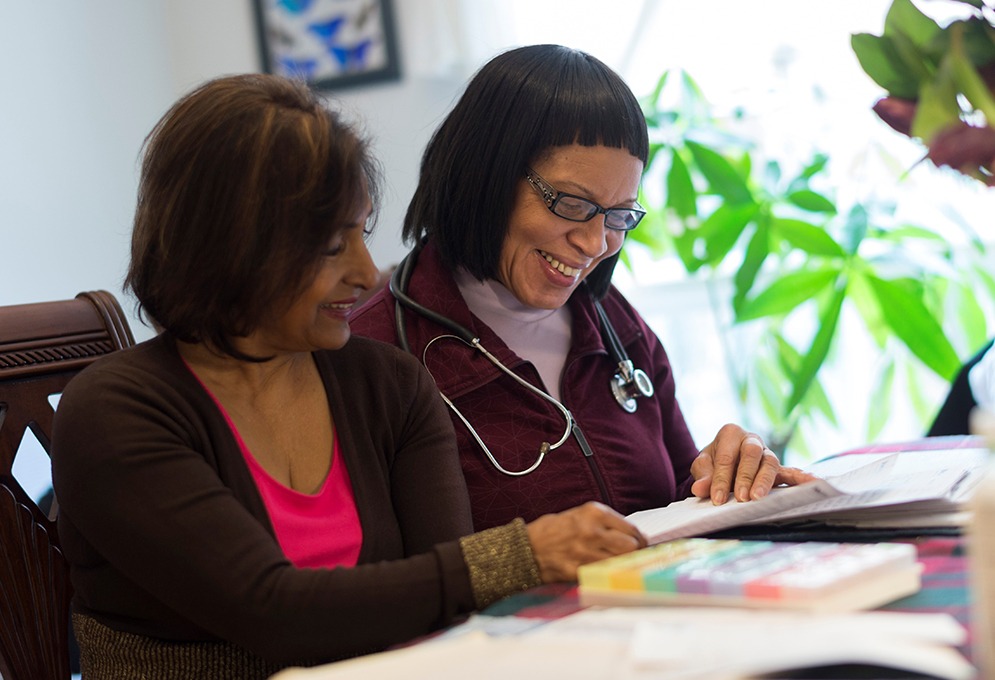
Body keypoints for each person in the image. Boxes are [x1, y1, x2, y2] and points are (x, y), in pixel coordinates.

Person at [50, 73, 646, 678]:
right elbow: (273, 613)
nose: (365, 274)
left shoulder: (388, 384)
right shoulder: (115, 410)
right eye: (332, 246)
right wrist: (523, 555)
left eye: (361, 234)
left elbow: (448, 611)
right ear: (227, 244)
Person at [350, 44, 813, 532]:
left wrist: (726, 475)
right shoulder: (374, 357)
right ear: (484, 176)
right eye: (571, 203)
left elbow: (679, 493)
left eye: (620, 215)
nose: (595, 243)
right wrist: (524, 561)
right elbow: (388, 582)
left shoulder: (615, 322)